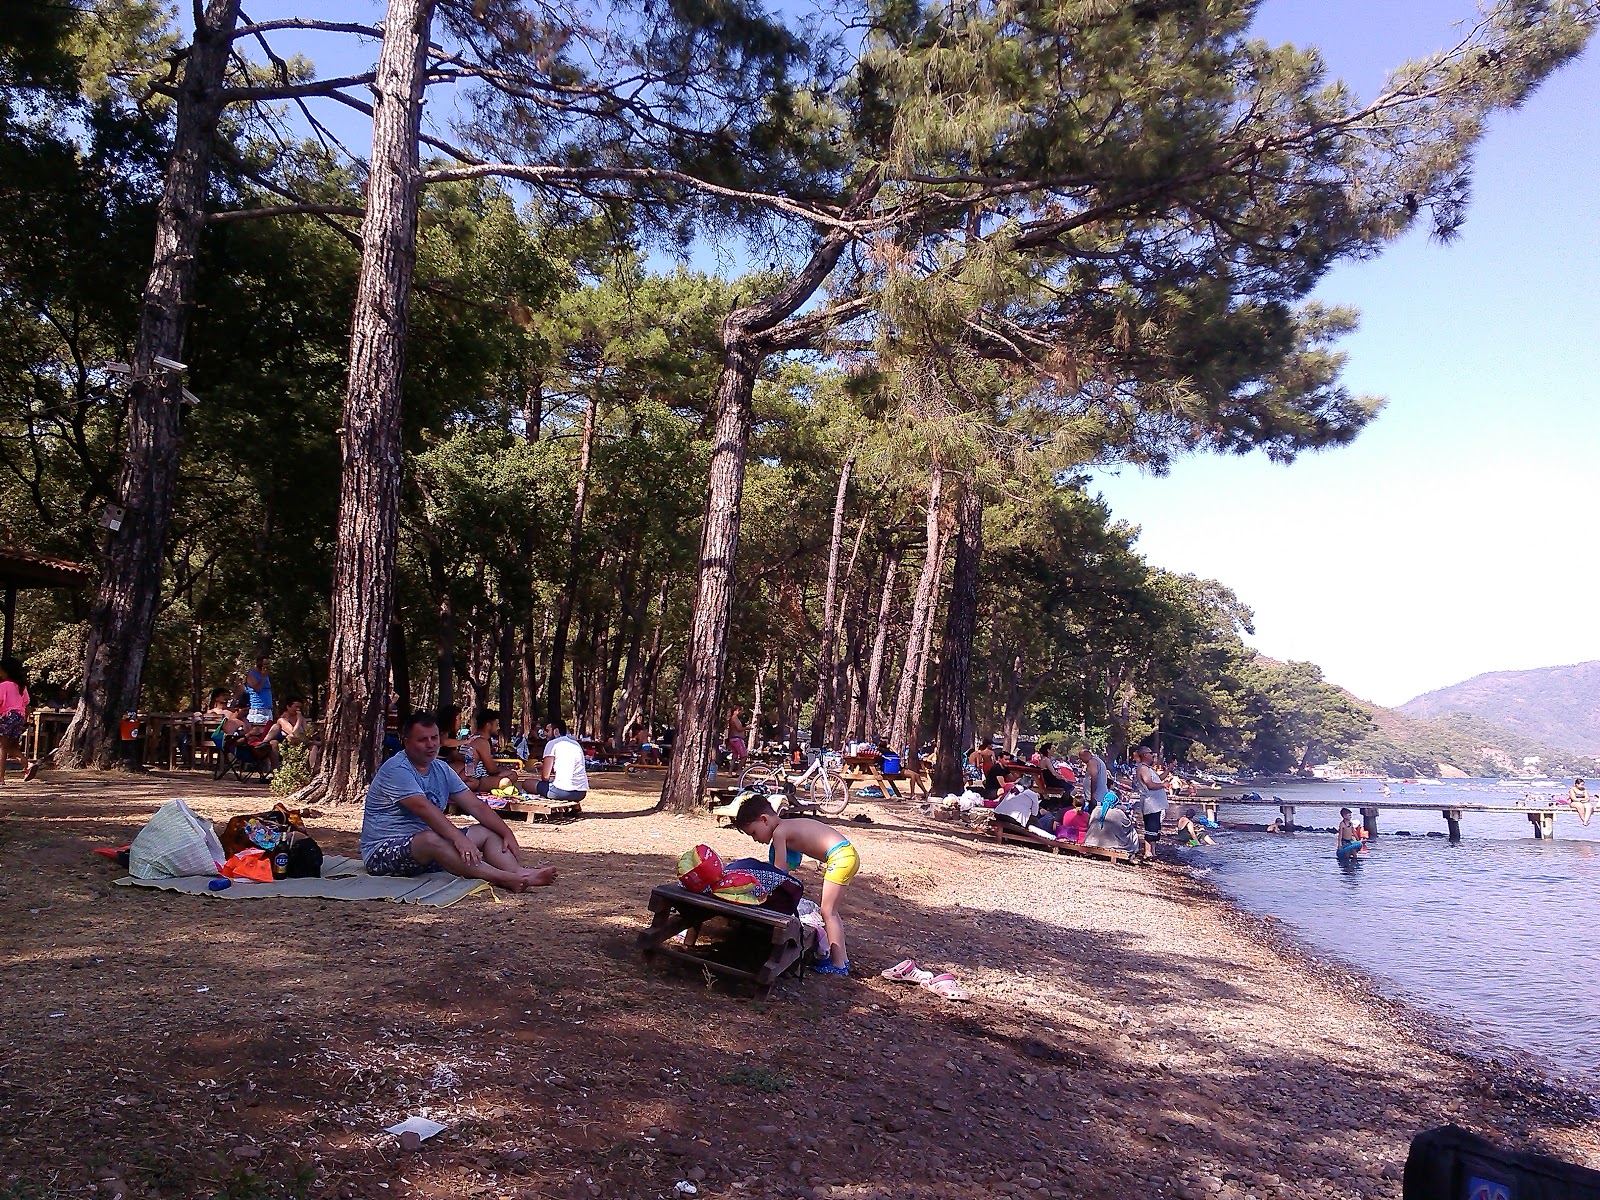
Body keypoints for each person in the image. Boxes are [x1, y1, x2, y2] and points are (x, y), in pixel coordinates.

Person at [360, 710, 557, 891]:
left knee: (485, 832)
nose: (430, 745)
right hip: (383, 853)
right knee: (431, 839)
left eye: (434, 738)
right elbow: (424, 809)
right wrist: (458, 838)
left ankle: (519, 872)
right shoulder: (397, 770)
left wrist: (507, 832)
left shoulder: (441, 769)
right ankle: (502, 878)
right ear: (406, 742)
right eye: (422, 740)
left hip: (429, 850)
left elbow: (476, 806)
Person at [734, 792, 859, 976]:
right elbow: (791, 862)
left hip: (840, 857)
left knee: (828, 912)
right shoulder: (787, 825)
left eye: (754, 832)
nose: (755, 839)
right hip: (847, 853)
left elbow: (778, 873)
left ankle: (839, 964)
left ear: (764, 820)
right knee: (832, 912)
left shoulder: (779, 832)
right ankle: (843, 960)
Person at [0, 657, 36, 783]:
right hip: (19, 718)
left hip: (7, 716)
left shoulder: (4, 686)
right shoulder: (21, 687)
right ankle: (28, 765)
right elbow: (26, 704)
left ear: (6, 671)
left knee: (2, 747)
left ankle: (0, 777)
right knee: (10, 747)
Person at [465, 709, 520, 792]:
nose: (498, 728)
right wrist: (503, 769)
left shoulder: (471, 738)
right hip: (477, 779)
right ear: (488, 726)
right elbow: (491, 769)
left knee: (511, 774)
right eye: (496, 725)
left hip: (477, 776)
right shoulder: (481, 742)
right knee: (508, 780)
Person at [536, 718, 589, 804]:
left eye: (547, 730)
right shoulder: (575, 743)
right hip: (581, 792)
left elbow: (545, 777)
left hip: (562, 792)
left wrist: (544, 768)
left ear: (556, 731)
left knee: (527, 784)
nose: (545, 734)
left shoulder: (552, 744)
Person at [1133, 746, 1169, 861]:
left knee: (1155, 827)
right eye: (1150, 753)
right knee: (1151, 827)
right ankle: (1148, 852)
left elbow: (1158, 778)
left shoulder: (1148, 768)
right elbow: (1150, 784)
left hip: (1155, 804)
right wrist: (1164, 785)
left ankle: (1152, 851)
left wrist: (1169, 769)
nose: (1152, 755)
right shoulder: (1143, 768)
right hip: (1150, 803)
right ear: (1144, 755)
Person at [1076, 746, 1110, 813]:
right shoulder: (1097, 760)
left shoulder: (1092, 762)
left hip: (1096, 797)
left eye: (1081, 758)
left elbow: (1094, 778)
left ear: (1084, 756)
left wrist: (1092, 795)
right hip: (1098, 795)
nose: (1081, 760)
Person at [242, 656, 274, 726]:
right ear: (259, 664)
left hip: (268, 709)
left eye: (268, 664)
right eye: (265, 664)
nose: (267, 667)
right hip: (258, 709)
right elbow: (257, 689)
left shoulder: (265, 675)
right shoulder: (251, 675)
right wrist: (263, 677)